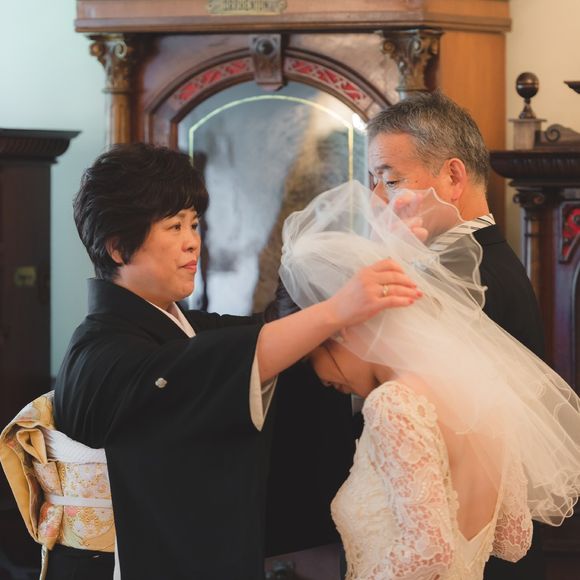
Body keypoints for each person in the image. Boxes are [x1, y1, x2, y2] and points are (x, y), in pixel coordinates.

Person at [5, 142, 417, 580]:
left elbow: (269, 332)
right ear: (119, 249)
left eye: (194, 224)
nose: (192, 243)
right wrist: (336, 310)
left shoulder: (185, 326)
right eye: (174, 226)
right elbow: (218, 364)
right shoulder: (99, 352)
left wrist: (373, 257)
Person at [276, 179, 580, 580]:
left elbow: (429, 551)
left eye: (310, 356)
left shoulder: (394, 404)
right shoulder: (477, 385)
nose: (322, 380)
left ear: (341, 329)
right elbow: (513, 536)